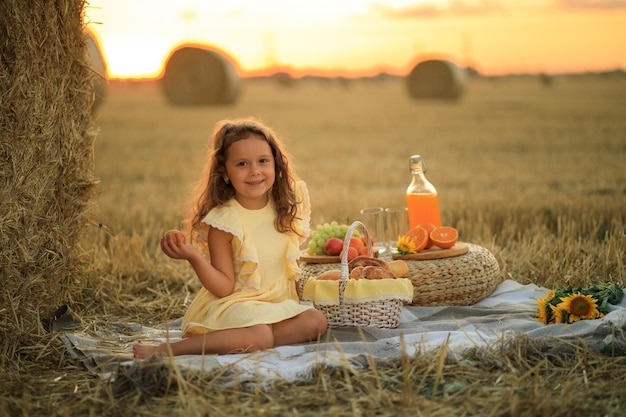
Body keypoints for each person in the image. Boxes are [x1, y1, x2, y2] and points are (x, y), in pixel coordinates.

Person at [133, 118, 328, 358]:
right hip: (235, 306)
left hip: (274, 304)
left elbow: (291, 268)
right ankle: (169, 349)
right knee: (259, 335)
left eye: (263, 161)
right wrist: (193, 256)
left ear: (276, 167)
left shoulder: (284, 208)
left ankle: (230, 340)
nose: (255, 170)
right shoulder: (225, 222)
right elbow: (224, 288)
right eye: (242, 163)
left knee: (316, 321)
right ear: (225, 172)